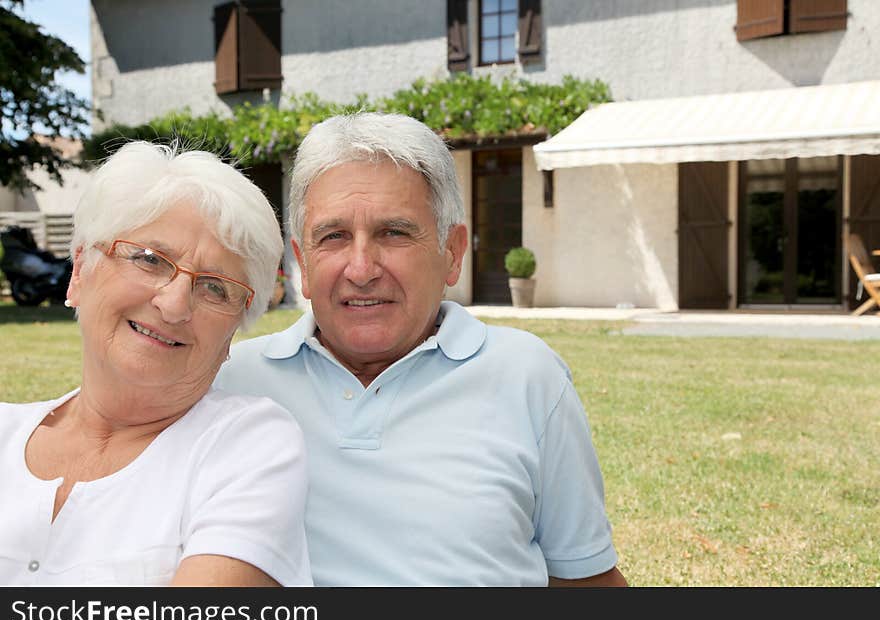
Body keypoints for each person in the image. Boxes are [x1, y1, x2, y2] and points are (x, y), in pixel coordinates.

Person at [215, 112, 627, 587]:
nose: (362, 268)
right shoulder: (233, 382)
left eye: (394, 232)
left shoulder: (528, 377)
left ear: (452, 252)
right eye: (334, 237)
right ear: (303, 263)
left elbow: (587, 581)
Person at [0, 141, 312, 586]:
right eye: (149, 259)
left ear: (231, 337)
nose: (174, 303)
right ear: (80, 273)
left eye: (215, 288)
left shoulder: (247, 447)